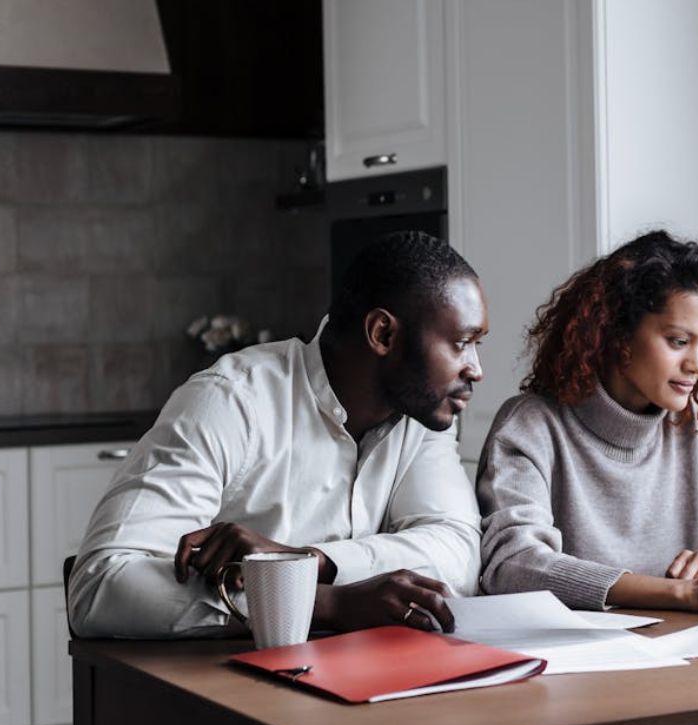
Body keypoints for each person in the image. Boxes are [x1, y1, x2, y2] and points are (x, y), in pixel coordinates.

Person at [68, 231, 488, 638]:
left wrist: (308, 561)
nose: (476, 369)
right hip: (223, 691)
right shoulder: (230, 401)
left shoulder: (420, 413)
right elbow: (101, 585)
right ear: (383, 334)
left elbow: (457, 556)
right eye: (461, 343)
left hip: (361, 686)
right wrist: (329, 603)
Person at [477, 230, 698, 612]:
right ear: (617, 334)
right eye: (678, 341)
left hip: (682, 653)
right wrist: (685, 594)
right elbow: (514, 564)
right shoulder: (530, 427)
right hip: (572, 661)